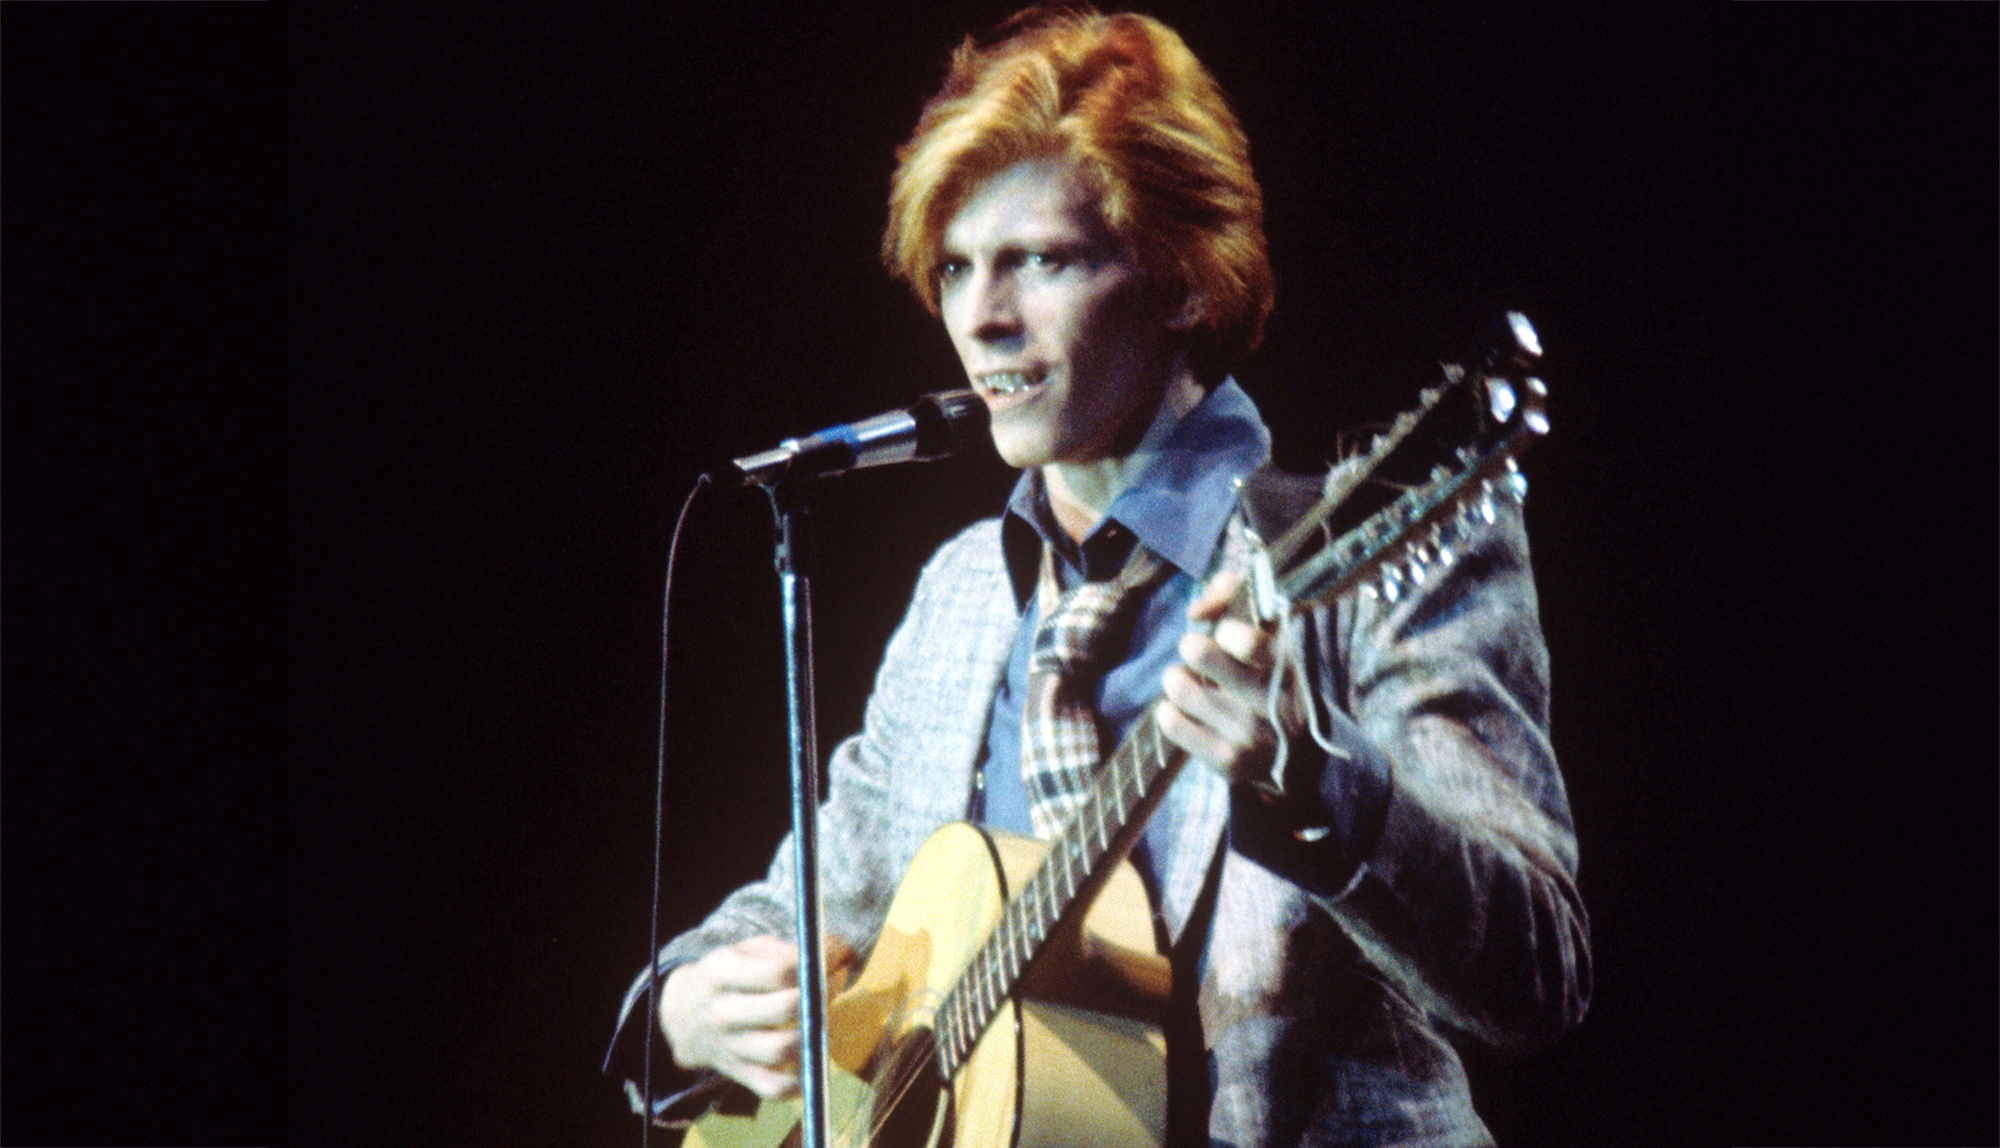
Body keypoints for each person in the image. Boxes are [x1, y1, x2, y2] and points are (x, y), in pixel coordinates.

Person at [606, 8, 1589, 1145]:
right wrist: (681, 1012)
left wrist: (1313, 781)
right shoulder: (962, 597)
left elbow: (1538, 971)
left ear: (1181, 281)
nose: (982, 318)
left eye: (1041, 260)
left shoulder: (1361, 560)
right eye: (957, 268)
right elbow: (809, 903)